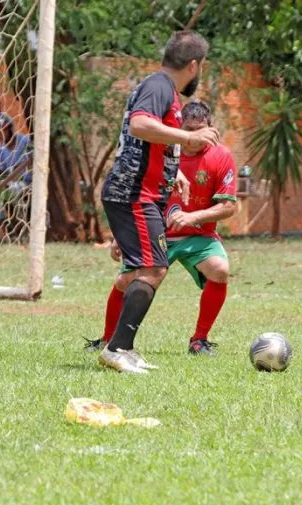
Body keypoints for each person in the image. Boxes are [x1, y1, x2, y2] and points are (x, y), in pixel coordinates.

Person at [97, 30, 220, 374]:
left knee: (144, 270)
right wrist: (190, 136)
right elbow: (139, 125)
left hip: (144, 193)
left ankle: (123, 346)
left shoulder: (163, 89)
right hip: (135, 195)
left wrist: (172, 171)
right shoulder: (160, 85)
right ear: (194, 66)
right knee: (153, 269)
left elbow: (149, 141)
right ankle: (117, 348)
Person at [85, 100, 237, 357]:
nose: (196, 137)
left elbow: (229, 207)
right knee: (125, 281)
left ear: (211, 129)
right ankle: (108, 339)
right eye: (190, 129)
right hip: (157, 234)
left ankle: (199, 340)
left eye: (201, 130)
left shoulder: (221, 156)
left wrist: (192, 217)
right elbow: (136, 195)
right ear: (180, 127)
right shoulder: (162, 152)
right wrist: (121, 236)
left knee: (220, 270)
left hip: (198, 235)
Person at [0, 112, 33, 235]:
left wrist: (9, 174)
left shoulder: (25, 141)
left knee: (8, 190)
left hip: (30, 183)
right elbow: (4, 172)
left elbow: (28, 165)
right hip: (13, 184)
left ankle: (26, 225)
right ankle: (6, 226)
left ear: (8, 128)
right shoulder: (0, 150)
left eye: (0, 129)